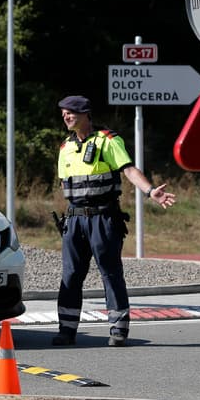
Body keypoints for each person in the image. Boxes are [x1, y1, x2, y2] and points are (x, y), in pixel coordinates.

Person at [52, 95, 176, 347]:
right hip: (75, 220)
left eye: (71, 112)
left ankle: (118, 328)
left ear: (85, 113)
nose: (66, 116)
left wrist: (150, 191)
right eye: (63, 113)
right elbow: (66, 184)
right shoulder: (65, 148)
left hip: (103, 218)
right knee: (70, 275)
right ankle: (66, 329)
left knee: (110, 273)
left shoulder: (107, 140)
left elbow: (129, 169)